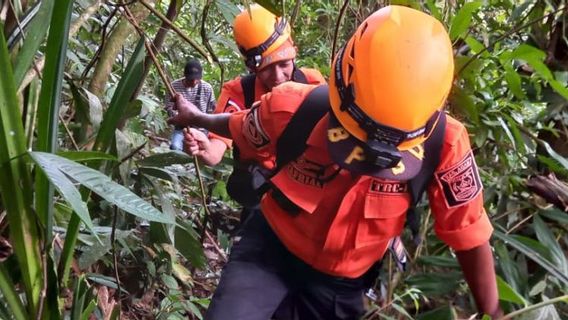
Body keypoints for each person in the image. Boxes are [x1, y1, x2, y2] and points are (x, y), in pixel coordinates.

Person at [170, 5, 503, 320]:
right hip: (270, 251)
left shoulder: (445, 144)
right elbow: (235, 126)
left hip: (341, 283)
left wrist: (493, 310)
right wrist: (195, 118)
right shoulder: (292, 106)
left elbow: (469, 232)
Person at [183, 4, 325, 220]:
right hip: (261, 192)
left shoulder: (313, 84)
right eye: (267, 68)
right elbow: (215, 151)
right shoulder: (241, 92)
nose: (278, 76)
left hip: (306, 189)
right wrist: (203, 149)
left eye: (284, 64)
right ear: (252, 66)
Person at [165, 59, 216, 150]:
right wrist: (179, 116)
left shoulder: (207, 88)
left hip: (201, 129)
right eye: (191, 79)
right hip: (182, 128)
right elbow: (169, 107)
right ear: (185, 76)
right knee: (175, 148)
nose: (194, 82)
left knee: (199, 153)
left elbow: (211, 111)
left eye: (197, 79)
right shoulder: (173, 87)